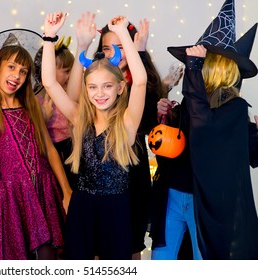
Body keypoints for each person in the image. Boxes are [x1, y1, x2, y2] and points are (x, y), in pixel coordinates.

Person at [42, 12, 147, 259]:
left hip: (117, 209)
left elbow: (140, 81)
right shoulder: (80, 119)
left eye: (107, 86)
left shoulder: (127, 124)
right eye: (93, 87)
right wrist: (49, 36)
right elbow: (49, 82)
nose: (99, 93)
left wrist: (123, 35)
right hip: (83, 208)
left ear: (120, 88)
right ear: (86, 90)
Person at [0, 0, 71, 260]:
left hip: (43, 188)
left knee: (50, 256)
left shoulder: (31, 108)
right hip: (13, 195)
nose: (17, 75)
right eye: (11, 67)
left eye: (24, 71)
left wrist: (67, 191)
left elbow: (49, 150)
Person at [168, 0, 258, 259]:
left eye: (201, 62)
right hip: (182, 196)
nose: (193, 66)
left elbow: (206, 127)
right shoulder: (192, 101)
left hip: (212, 208)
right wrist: (168, 115)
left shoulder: (235, 108)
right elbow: (182, 140)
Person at [149, 97, 202, 260]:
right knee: (160, 259)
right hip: (172, 195)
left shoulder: (228, 112)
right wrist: (161, 118)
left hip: (202, 201)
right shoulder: (177, 114)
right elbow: (161, 150)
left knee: (202, 258)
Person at [33, 36, 78, 189]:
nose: (69, 76)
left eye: (71, 71)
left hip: (71, 149)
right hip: (50, 152)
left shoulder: (71, 95)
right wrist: (44, 118)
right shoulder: (37, 99)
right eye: (66, 71)